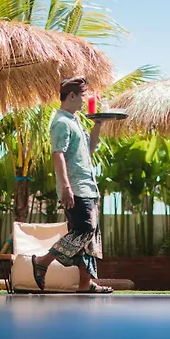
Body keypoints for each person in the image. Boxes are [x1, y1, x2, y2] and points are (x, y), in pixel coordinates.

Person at [30, 76, 113, 293]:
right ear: (72, 95)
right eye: (83, 95)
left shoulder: (75, 121)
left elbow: (89, 149)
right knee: (84, 229)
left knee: (89, 238)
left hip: (88, 186)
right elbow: (57, 155)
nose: (85, 100)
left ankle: (86, 283)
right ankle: (42, 261)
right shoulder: (61, 123)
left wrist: (98, 124)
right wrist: (65, 187)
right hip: (75, 187)